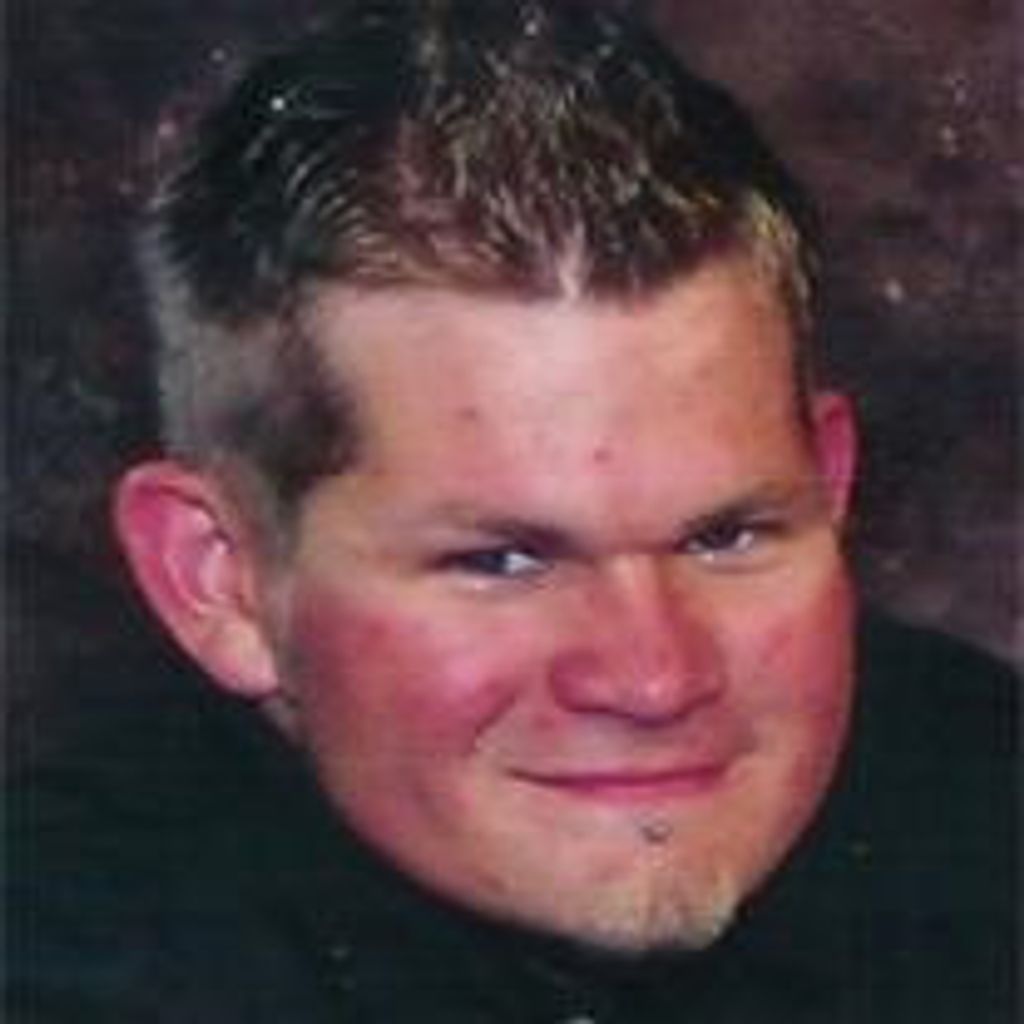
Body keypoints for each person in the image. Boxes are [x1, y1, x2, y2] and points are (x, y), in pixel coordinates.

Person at [8, 0, 1016, 1020]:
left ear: (830, 484)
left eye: (727, 535)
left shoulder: (981, 791)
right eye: (502, 561)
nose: (654, 678)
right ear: (219, 580)